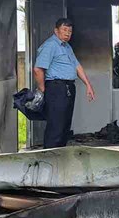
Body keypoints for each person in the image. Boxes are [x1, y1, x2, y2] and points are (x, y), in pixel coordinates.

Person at [33, 18, 96, 149]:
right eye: (64, 30)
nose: (68, 33)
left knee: (64, 126)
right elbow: (38, 69)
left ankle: (60, 158)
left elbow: (77, 66)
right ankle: (50, 158)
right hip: (56, 88)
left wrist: (88, 85)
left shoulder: (67, 47)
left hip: (68, 88)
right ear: (56, 31)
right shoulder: (50, 45)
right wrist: (44, 90)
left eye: (70, 31)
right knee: (56, 126)